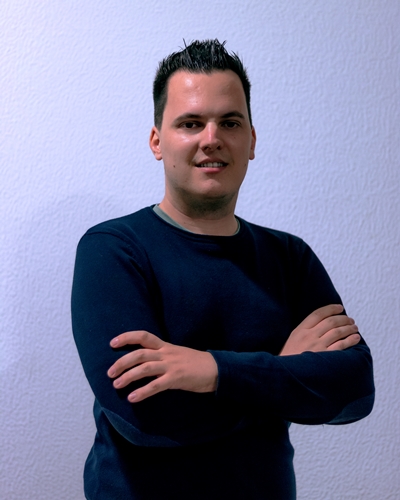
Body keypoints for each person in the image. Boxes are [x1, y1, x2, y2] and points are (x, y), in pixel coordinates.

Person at [71, 39, 374, 500]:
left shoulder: (289, 257)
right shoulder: (114, 250)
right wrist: (284, 371)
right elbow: (145, 417)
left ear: (251, 140)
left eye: (230, 123)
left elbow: (354, 391)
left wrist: (211, 370)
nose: (211, 138)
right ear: (157, 141)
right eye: (190, 123)